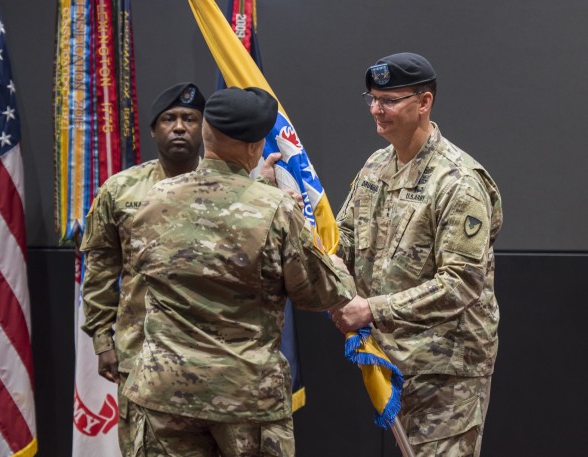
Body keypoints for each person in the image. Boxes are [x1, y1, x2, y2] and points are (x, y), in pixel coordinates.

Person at [122, 87, 358, 457]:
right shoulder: (275, 209)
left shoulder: (154, 198)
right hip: (243, 396)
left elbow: (151, 264)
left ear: (205, 133)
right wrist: (339, 271)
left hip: (165, 392)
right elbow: (319, 293)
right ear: (255, 147)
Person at [331, 52, 503, 456]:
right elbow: (341, 239)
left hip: (446, 369)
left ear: (424, 103)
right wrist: (290, 204)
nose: (376, 109)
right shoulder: (375, 167)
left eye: (389, 100)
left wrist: (371, 309)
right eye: (372, 98)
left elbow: (460, 285)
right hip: (393, 358)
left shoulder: (458, 182)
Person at [80, 82, 206, 456]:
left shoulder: (228, 188)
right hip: (142, 351)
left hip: (211, 352)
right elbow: (101, 270)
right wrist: (104, 341)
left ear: (205, 129)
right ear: (153, 130)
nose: (180, 127)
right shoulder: (119, 190)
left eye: (190, 119)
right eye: (169, 119)